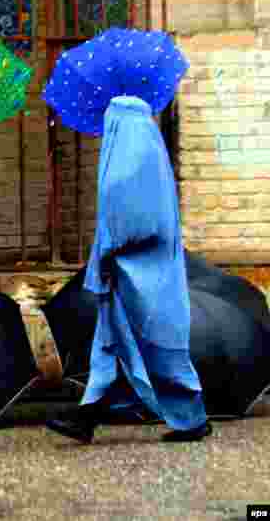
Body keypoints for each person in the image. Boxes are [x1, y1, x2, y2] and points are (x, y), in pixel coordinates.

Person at [46, 96, 211, 444]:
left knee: (158, 346)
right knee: (110, 343)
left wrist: (108, 248)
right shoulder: (146, 151)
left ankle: (192, 418)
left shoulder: (134, 159)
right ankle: (86, 415)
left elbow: (138, 219)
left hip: (142, 273)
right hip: (128, 270)